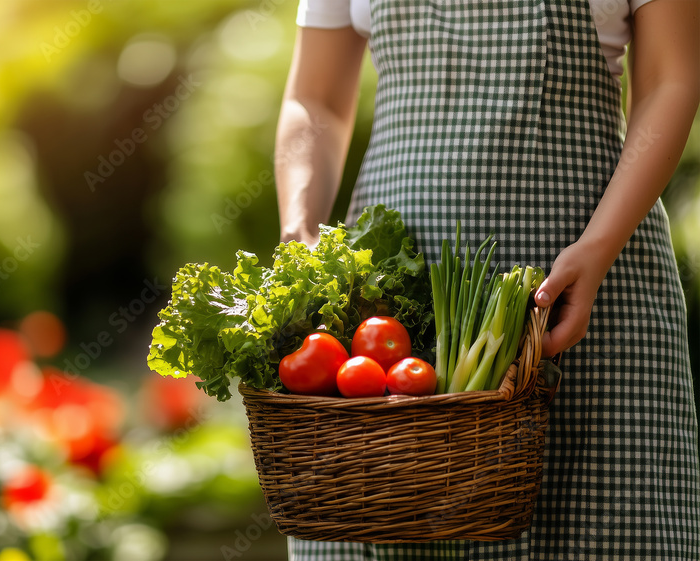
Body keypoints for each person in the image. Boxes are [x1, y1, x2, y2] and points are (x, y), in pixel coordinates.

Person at [274, 0, 699, 559]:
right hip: (393, 308)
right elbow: (316, 98)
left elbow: (673, 79)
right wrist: (299, 232)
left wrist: (597, 250)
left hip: (588, 289)